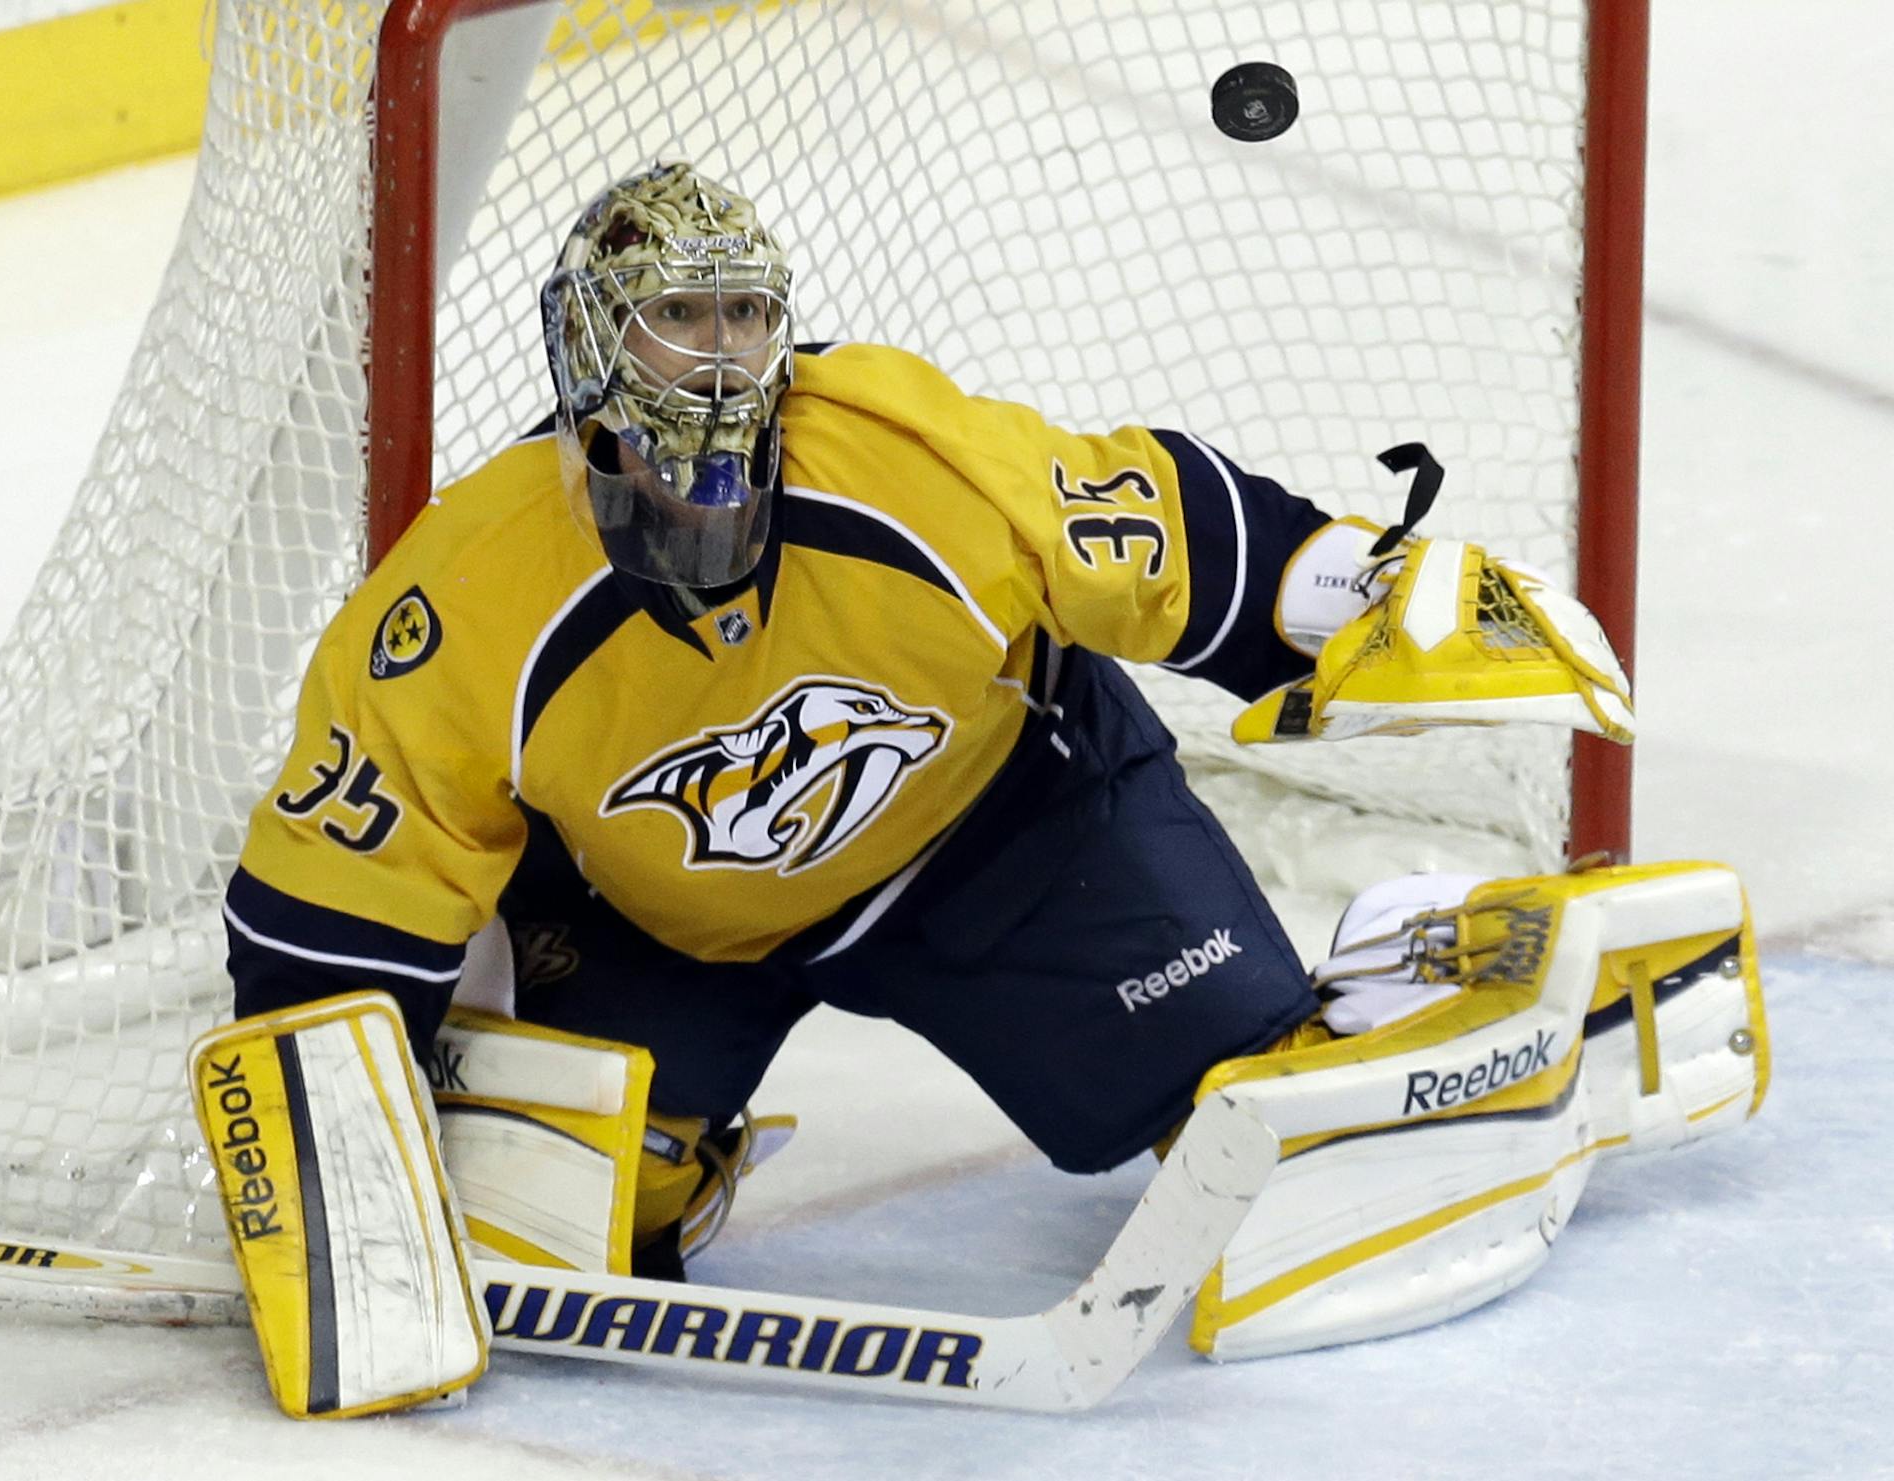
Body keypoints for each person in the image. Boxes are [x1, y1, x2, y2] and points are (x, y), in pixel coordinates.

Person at [214, 161, 1673, 1297]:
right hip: (680, 925)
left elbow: (1157, 523)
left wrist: (1364, 588)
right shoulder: (465, 598)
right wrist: (320, 1174)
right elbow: (342, 898)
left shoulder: (901, 458)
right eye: (676, 316)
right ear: (590, 342)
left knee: (1263, 1139)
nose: (718, 357)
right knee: (565, 1209)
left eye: (744, 313)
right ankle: (681, 1138)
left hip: (1013, 832)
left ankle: (1406, 965)